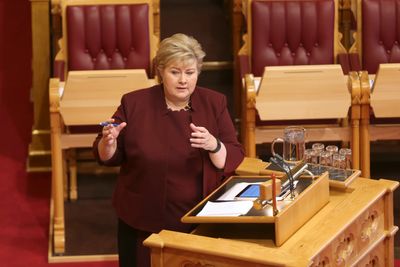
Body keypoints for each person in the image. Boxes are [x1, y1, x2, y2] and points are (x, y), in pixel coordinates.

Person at [93, 33, 244, 267]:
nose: (183, 80)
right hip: (142, 221)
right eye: (175, 72)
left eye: (190, 73)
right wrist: (109, 143)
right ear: (161, 71)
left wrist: (214, 145)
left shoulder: (214, 103)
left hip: (199, 220)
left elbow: (234, 155)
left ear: (198, 73)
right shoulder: (133, 104)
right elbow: (106, 156)